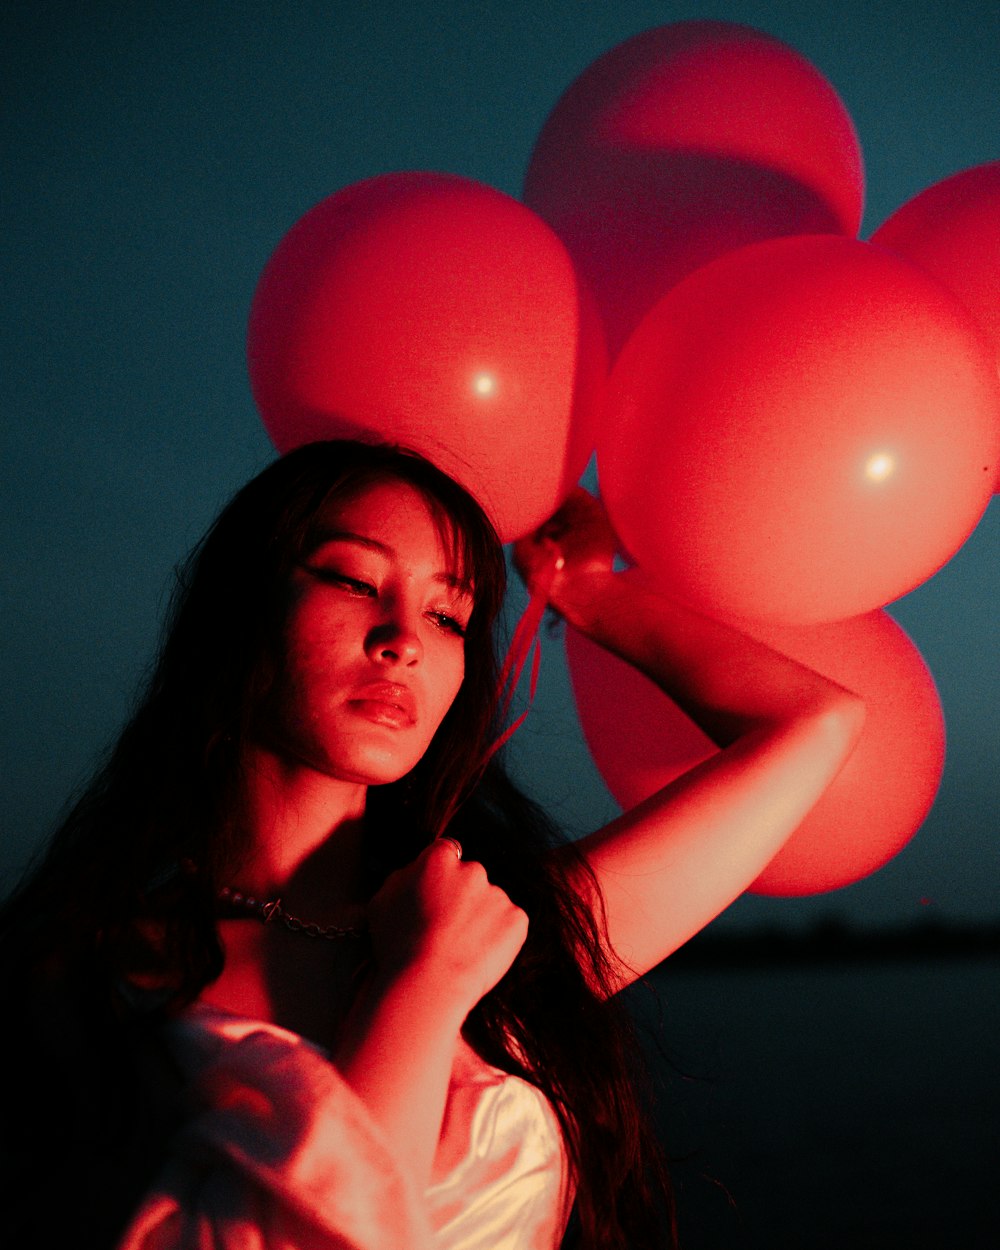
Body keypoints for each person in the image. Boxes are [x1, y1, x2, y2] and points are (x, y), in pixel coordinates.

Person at [0, 439, 864, 1250]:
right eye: (350, 579)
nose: (404, 640)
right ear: (243, 607)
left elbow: (815, 723)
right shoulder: (92, 982)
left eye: (450, 615)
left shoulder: (494, 928)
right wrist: (421, 991)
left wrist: (585, 592)